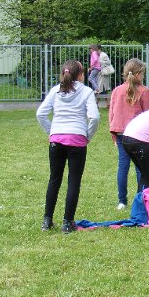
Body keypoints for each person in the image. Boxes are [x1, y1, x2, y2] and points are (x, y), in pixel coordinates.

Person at [36, 60, 100, 233]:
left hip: (56, 140)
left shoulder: (55, 90)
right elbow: (94, 117)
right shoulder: (86, 92)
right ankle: (67, 222)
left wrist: (52, 131)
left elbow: (40, 113)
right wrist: (87, 135)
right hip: (77, 139)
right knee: (74, 180)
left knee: (54, 179)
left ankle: (47, 220)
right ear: (80, 74)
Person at [109, 58, 149, 210]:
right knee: (140, 167)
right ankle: (141, 198)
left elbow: (112, 114)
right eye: (142, 73)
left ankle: (122, 201)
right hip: (138, 135)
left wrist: (114, 134)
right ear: (137, 74)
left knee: (123, 166)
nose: (143, 76)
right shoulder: (144, 91)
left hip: (121, 133)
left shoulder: (117, 91)